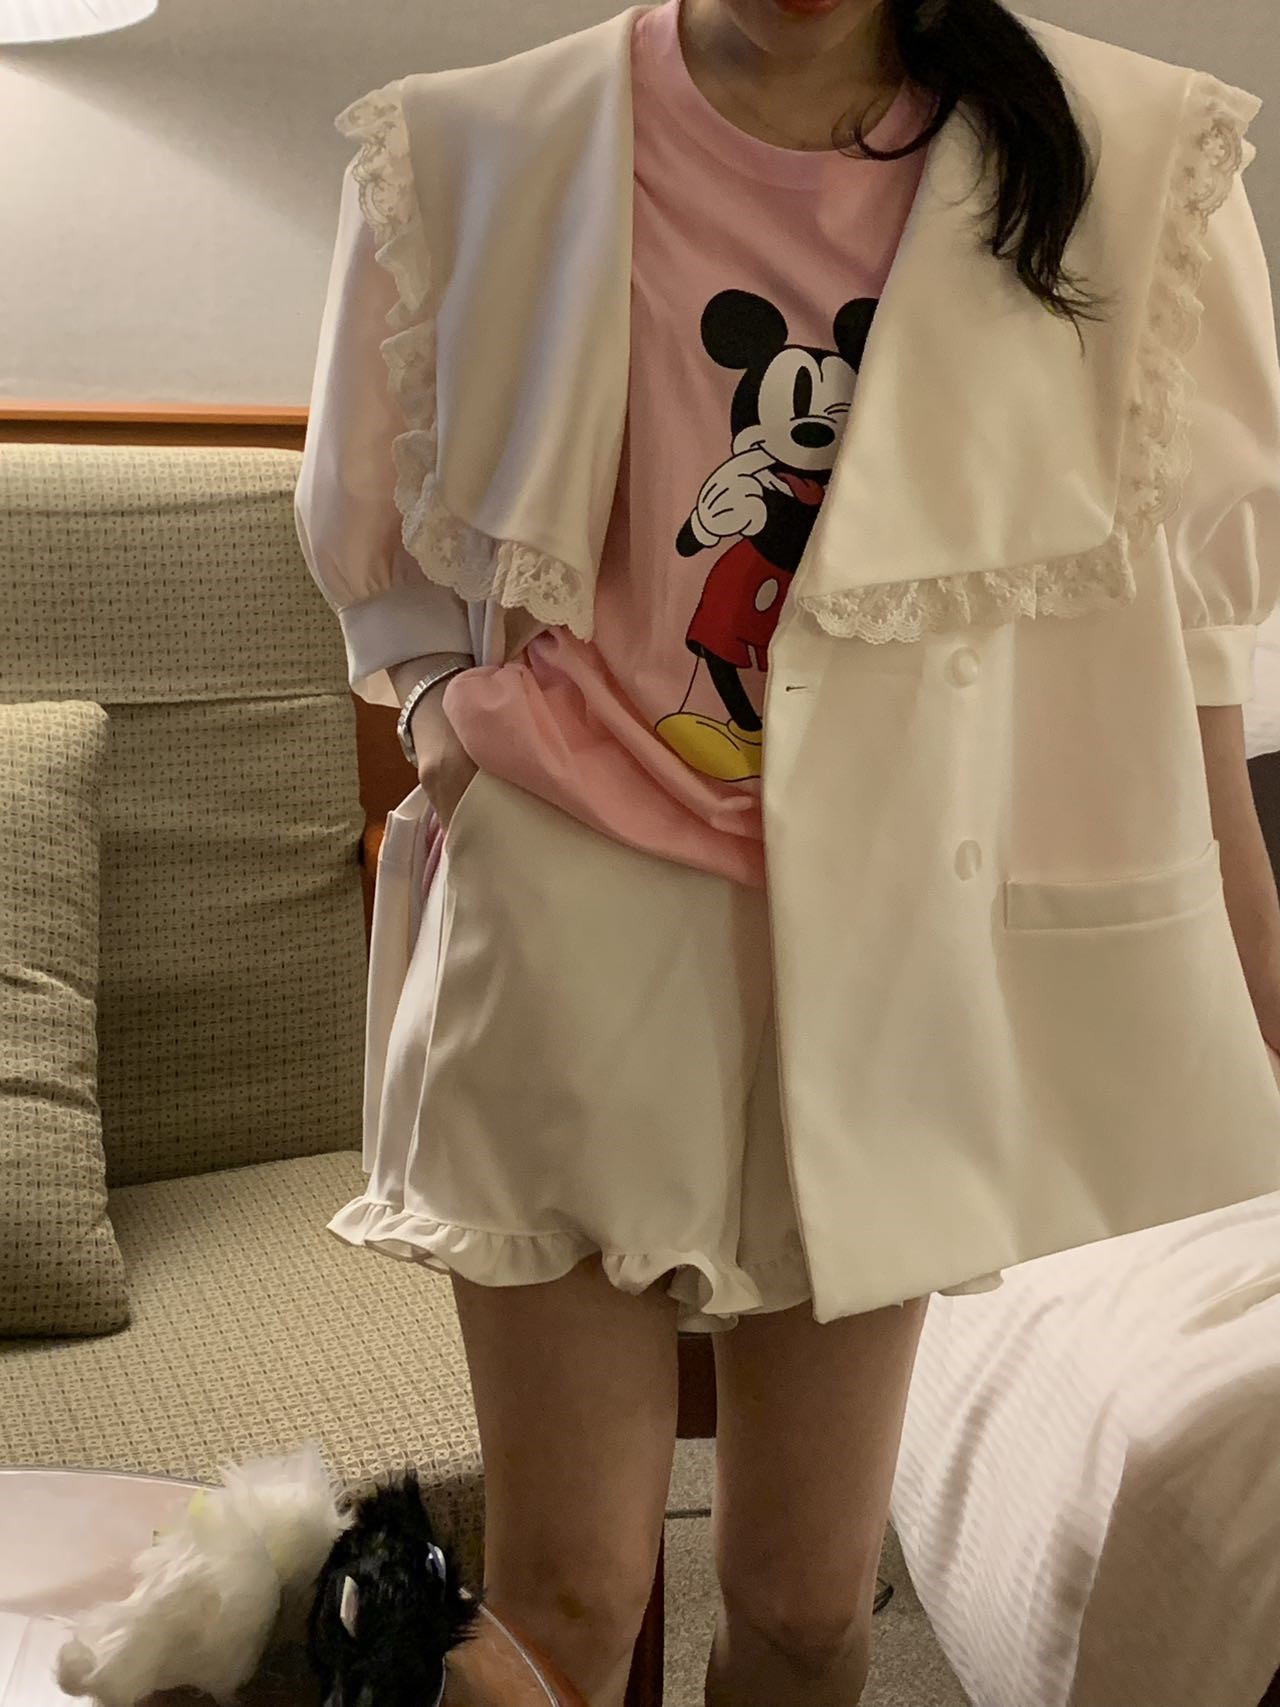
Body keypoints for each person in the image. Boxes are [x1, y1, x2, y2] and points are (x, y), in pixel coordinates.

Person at [294, 0, 1280, 1701]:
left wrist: (1247, 945)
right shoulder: (477, 144)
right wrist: (447, 720)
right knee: (571, 1595)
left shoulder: (1121, 155)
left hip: (889, 926)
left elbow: (1182, 608)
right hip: (576, 908)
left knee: (808, 1604)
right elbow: (367, 524)